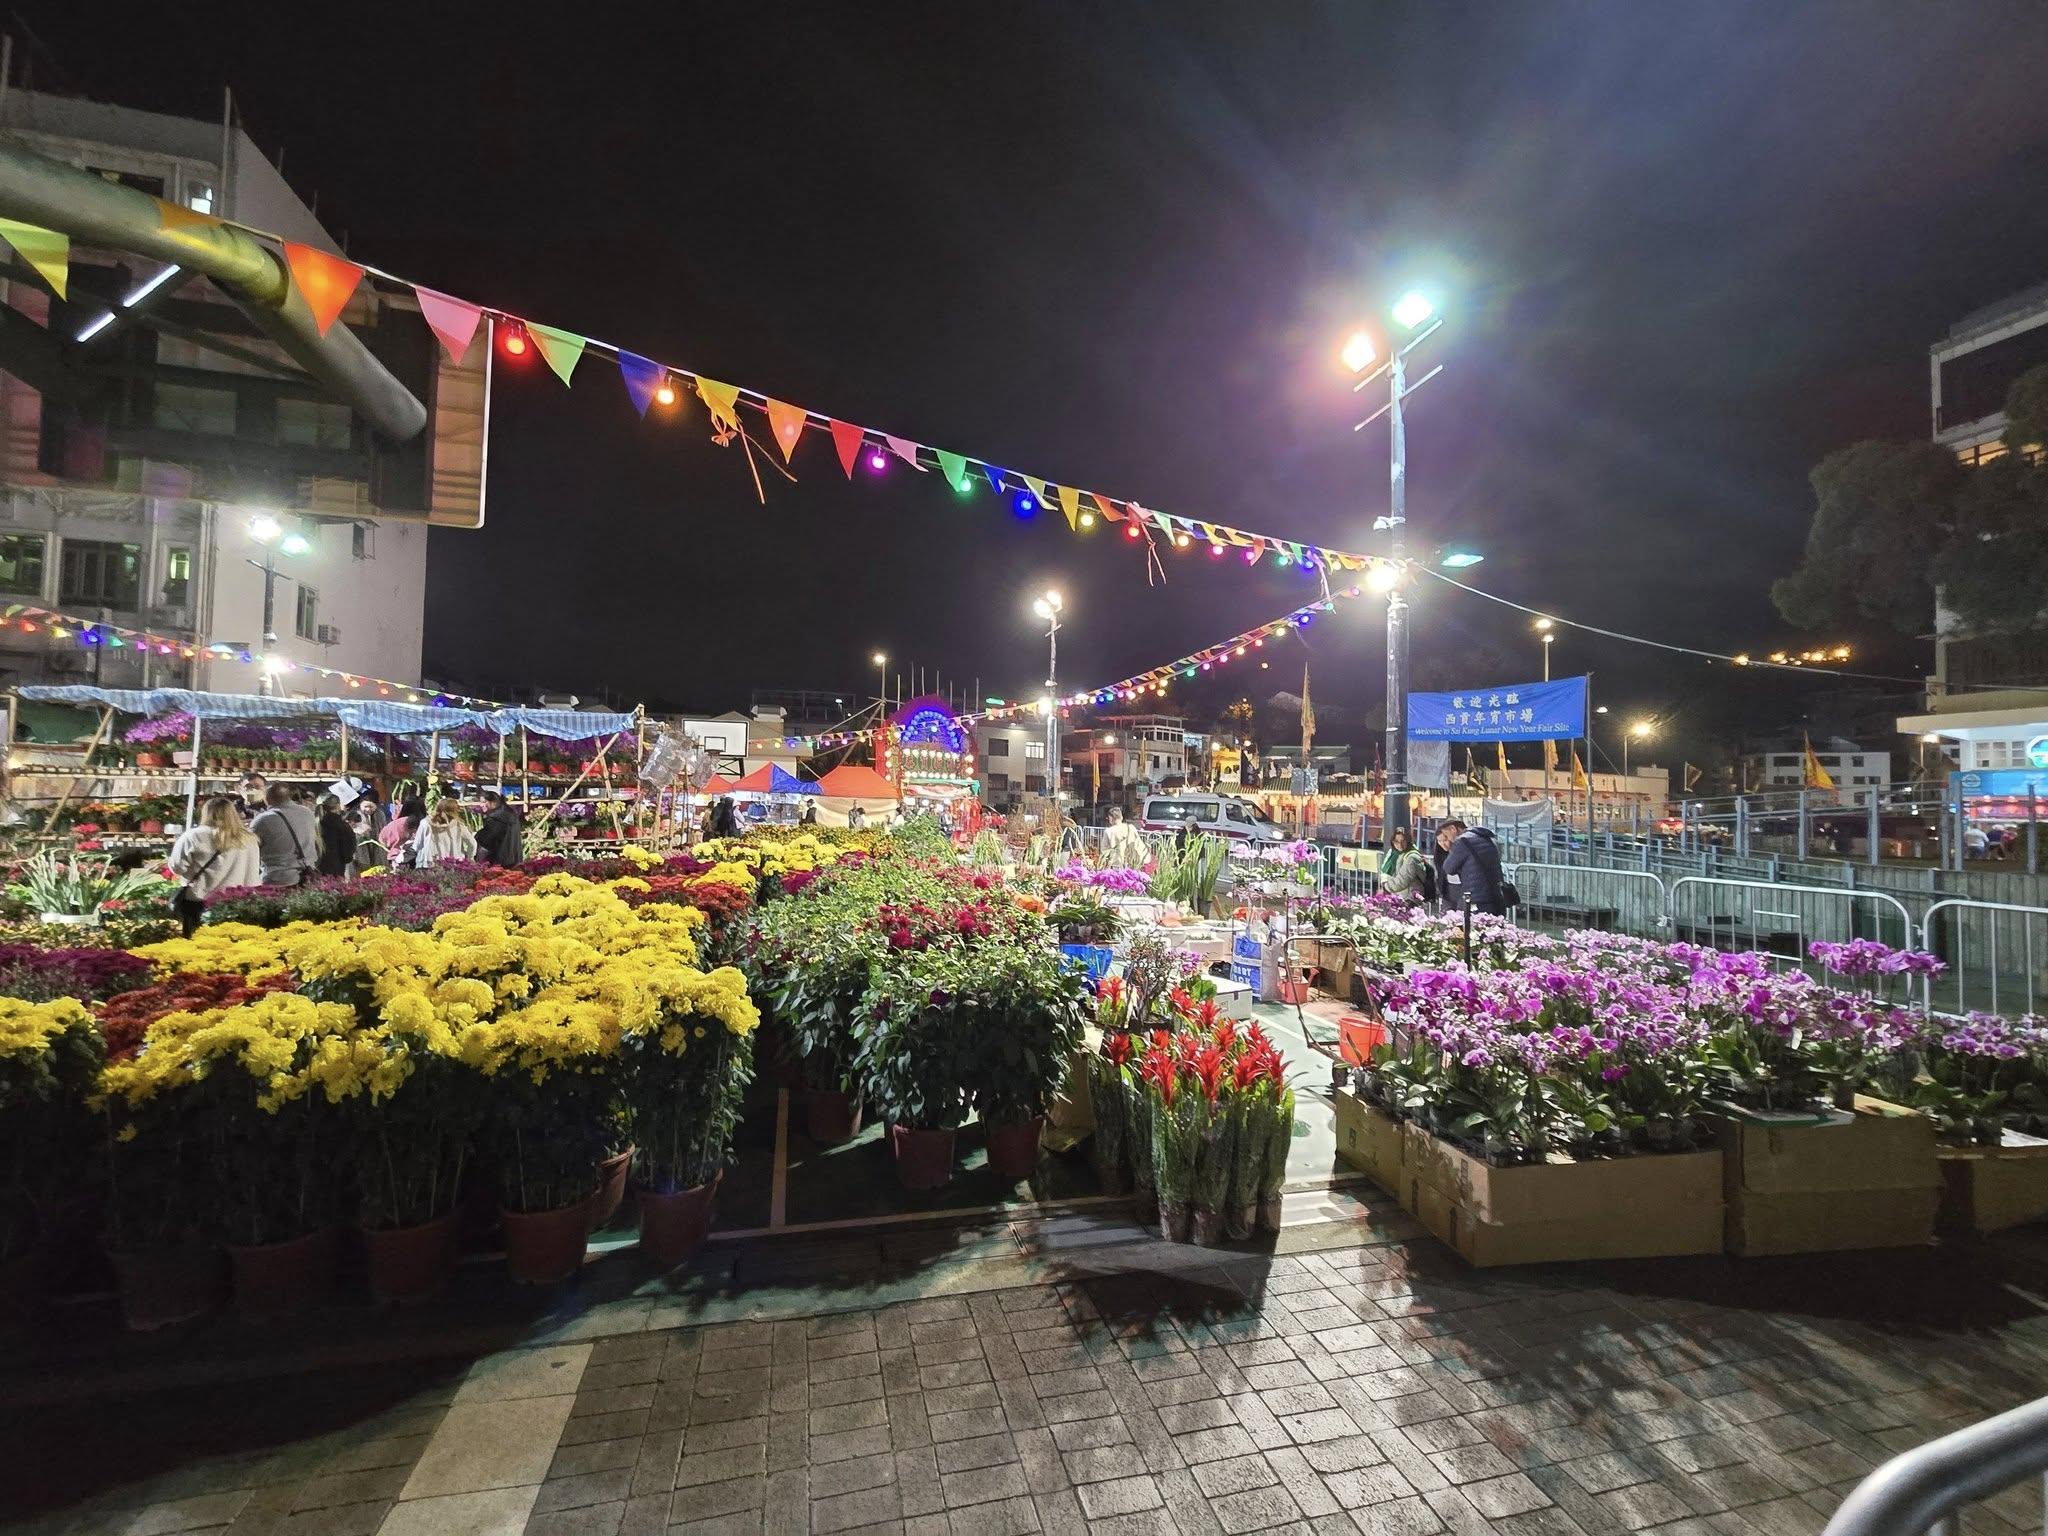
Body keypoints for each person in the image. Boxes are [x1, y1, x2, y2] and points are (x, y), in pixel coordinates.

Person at [166, 795, 262, 937]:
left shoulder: (193, 836)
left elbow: (177, 867)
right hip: (237, 903)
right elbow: (253, 872)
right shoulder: (249, 839)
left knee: (197, 944)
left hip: (199, 902)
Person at [249, 782, 318, 888]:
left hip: (278, 880)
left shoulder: (263, 820)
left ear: (267, 798)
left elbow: (251, 848)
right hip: (307, 876)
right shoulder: (307, 813)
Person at [1439, 819, 1508, 916]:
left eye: (1447, 835)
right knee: (1493, 928)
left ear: (1453, 829)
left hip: (1475, 897)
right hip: (1496, 896)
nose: (1449, 839)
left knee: (1471, 928)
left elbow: (1448, 868)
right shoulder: (1488, 839)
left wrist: (1451, 851)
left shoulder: (1462, 841)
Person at [411, 797, 478, 868]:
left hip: (430, 863)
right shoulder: (459, 825)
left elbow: (417, 845)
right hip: (454, 864)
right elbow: (472, 843)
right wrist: (470, 857)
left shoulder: (425, 823)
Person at [475, 789, 525, 868]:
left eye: (484, 802)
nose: (481, 805)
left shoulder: (496, 818)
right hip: (514, 859)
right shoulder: (510, 813)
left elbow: (487, 840)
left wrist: (477, 835)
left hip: (500, 862)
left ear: (493, 802)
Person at [1378, 827, 1431, 899]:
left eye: (1403, 841)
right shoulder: (1394, 853)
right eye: (1396, 841)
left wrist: (1385, 887)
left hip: (1411, 898)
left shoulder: (1412, 857)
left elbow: (1402, 880)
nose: (1400, 845)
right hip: (1400, 896)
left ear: (1408, 841)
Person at [314, 793, 357, 878]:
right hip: (336, 868)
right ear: (338, 806)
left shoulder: (314, 823)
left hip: (316, 867)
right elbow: (348, 849)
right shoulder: (341, 825)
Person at [383, 797, 427, 867]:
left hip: (394, 858)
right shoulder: (423, 822)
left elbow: (383, 838)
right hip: (416, 859)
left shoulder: (395, 823)